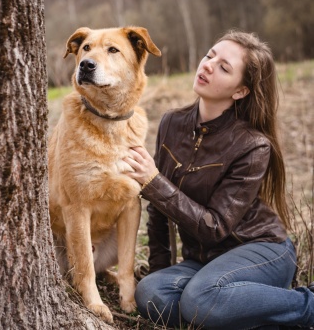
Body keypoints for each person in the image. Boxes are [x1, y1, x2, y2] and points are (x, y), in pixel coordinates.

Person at [123, 30, 314, 330]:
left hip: (260, 251)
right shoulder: (171, 123)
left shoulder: (253, 145)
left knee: (199, 299)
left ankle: (307, 307)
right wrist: (160, 274)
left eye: (224, 67)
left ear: (240, 91)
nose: (208, 65)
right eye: (210, 55)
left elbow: (215, 227)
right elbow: (158, 212)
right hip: (203, 262)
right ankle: (255, 320)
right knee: (150, 293)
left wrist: (154, 182)